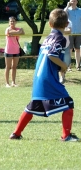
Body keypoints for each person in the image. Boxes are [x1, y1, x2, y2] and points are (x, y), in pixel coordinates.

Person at [10, 9, 80, 142]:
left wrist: (58, 67)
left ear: (50, 24)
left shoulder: (48, 38)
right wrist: (64, 66)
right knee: (69, 103)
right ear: (66, 24)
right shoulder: (60, 38)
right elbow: (52, 55)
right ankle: (66, 136)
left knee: (32, 106)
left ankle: (16, 133)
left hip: (39, 78)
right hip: (49, 80)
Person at [4, 16, 25, 87]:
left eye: (13, 21)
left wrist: (19, 31)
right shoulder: (7, 29)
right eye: (11, 21)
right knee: (8, 67)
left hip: (16, 50)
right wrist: (19, 32)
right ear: (9, 22)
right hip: (9, 50)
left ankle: (13, 82)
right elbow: (13, 32)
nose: (12, 22)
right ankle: (7, 83)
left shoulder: (18, 29)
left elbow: (23, 33)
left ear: (16, 22)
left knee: (14, 67)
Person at [64, 0, 81, 71]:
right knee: (69, 50)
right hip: (69, 33)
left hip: (78, 33)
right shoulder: (67, 10)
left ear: (77, 2)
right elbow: (63, 14)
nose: (73, 3)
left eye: (74, 1)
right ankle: (69, 67)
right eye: (71, 1)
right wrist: (67, 6)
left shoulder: (80, 10)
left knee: (77, 49)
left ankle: (78, 66)